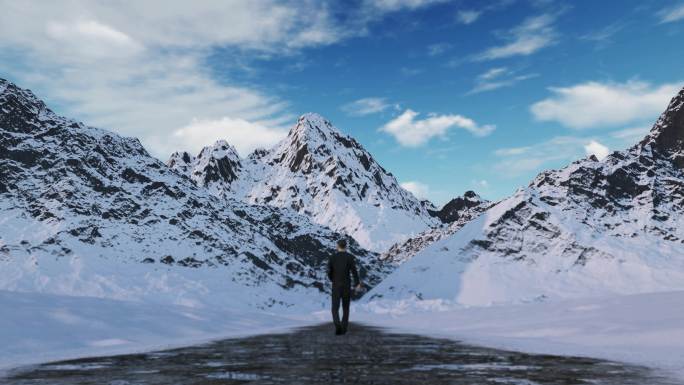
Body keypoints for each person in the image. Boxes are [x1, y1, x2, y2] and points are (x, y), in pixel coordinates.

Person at [327, 239, 362, 335]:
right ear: (346, 247)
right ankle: (344, 328)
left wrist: (333, 279)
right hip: (347, 285)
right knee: (346, 307)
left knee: (335, 308)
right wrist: (357, 283)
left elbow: (329, 272)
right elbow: (354, 272)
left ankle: (338, 326)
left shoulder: (332, 257)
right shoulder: (350, 257)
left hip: (336, 285)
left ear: (337, 246)